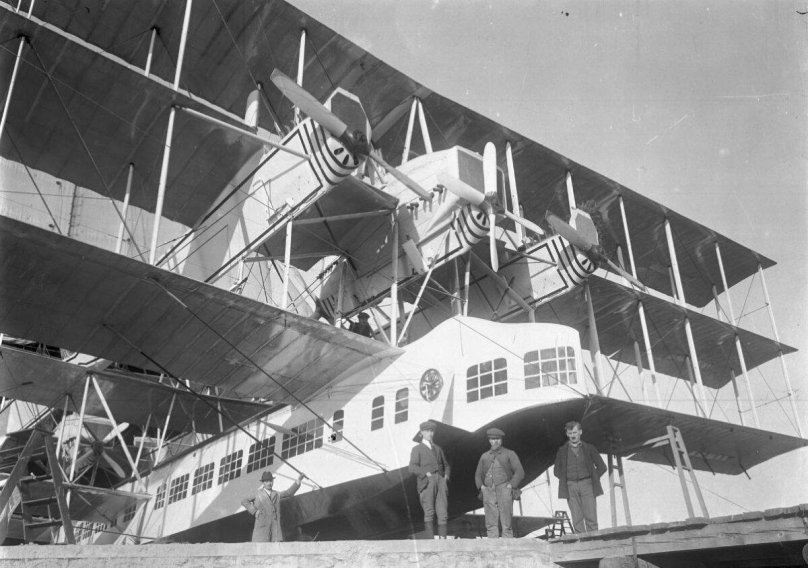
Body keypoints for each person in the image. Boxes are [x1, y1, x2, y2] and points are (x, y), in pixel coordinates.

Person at [553, 420, 607, 533]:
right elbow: (556, 470)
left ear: (580, 432)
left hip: (587, 485)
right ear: (567, 434)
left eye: (575, 432)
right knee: (577, 519)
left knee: (591, 517)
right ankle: (581, 545)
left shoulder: (589, 448)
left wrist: (592, 479)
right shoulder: (562, 451)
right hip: (570, 486)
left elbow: (602, 467)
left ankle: (594, 543)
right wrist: (567, 480)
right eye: (570, 433)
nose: (573, 435)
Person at [474, 427, 524, 538]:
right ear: (489, 440)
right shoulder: (484, 456)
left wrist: (511, 485)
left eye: (497, 439)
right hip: (488, 490)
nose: (495, 441)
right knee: (491, 522)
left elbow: (520, 472)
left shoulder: (510, 454)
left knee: (506, 521)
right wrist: (482, 487)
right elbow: (478, 474)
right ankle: (493, 547)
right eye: (492, 439)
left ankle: (508, 548)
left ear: (501, 440)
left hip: (504, 489)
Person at [408, 420, 451, 539]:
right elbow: (412, 467)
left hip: (440, 481)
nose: (430, 434)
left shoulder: (438, 449)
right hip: (427, 482)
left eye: (432, 431)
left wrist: (445, 477)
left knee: (443, 512)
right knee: (429, 512)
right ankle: (430, 541)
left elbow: (446, 465)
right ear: (421, 433)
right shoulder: (417, 449)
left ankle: (443, 539)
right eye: (427, 431)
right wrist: (425, 474)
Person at [241, 470, 305, 542]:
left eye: (271, 481)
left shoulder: (276, 494)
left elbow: (289, 493)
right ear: (263, 483)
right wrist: (254, 511)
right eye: (267, 481)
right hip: (262, 528)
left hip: (274, 529)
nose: (269, 483)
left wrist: (298, 480)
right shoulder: (257, 493)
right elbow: (244, 501)